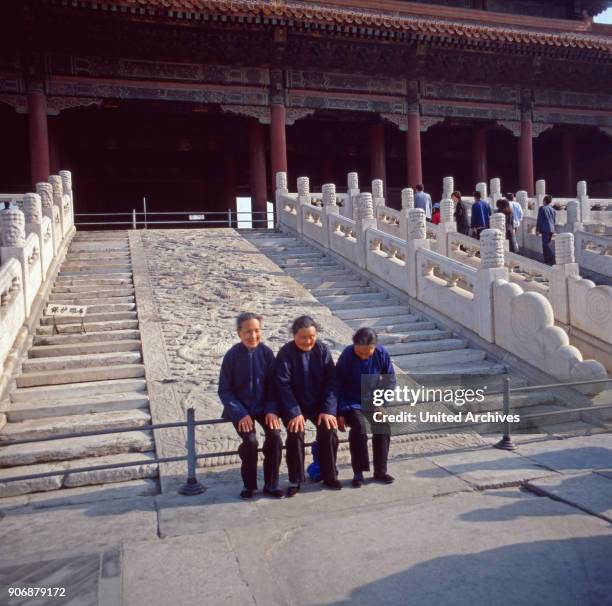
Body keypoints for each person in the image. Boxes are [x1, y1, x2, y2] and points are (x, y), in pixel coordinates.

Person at [218, 312, 283, 500]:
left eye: (256, 331)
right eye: (248, 332)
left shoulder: (267, 353)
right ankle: (249, 485)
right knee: (250, 441)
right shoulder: (232, 356)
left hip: (264, 407)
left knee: (275, 436)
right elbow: (224, 390)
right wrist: (239, 413)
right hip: (241, 409)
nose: (253, 336)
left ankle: (271, 484)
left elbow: (274, 385)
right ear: (239, 333)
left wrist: (272, 409)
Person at [275, 315, 341, 497]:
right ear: (294, 335)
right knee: (295, 433)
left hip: (319, 402)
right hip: (294, 403)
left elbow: (332, 380)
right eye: (303, 337)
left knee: (329, 430)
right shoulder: (286, 353)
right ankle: (296, 479)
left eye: (311, 336)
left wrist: (328, 409)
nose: (308, 340)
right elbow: (282, 384)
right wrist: (294, 411)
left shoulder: (322, 349)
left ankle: (329, 474)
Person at [336, 327, 395, 488]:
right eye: (359, 352)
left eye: (367, 353)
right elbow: (337, 384)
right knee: (359, 427)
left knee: (383, 426)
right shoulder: (347, 355)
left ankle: (380, 471)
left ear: (374, 347)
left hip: (372, 399)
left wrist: (381, 402)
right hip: (351, 400)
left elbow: (390, 381)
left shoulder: (381, 353)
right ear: (354, 345)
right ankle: (358, 472)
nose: (363, 356)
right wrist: (339, 411)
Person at [536, 194, 557, 265]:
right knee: (547, 244)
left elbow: (539, 219)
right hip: (551, 228)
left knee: (545, 245)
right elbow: (554, 220)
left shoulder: (542, 208)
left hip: (545, 229)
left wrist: (537, 229)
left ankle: (551, 258)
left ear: (544, 201)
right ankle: (548, 260)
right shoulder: (553, 209)